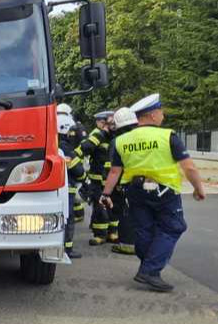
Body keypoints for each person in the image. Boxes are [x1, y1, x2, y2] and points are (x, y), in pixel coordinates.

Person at [101, 94, 206, 292]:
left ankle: (149, 268)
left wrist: (105, 194)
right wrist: (199, 189)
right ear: (151, 115)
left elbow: (115, 171)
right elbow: (189, 167)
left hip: (134, 191)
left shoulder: (121, 141)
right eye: (160, 112)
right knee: (174, 227)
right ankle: (149, 270)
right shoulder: (167, 136)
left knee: (143, 229)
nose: (163, 115)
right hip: (163, 190)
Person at [77, 110, 114, 245]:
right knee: (101, 206)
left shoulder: (111, 135)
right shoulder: (97, 135)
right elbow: (85, 148)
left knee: (109, 207)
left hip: (107, 178)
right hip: (99, 178)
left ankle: (109, 233)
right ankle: (102, 234)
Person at [108, 107, 139, 256]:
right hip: (146, 180)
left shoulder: (117, 141)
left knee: (125, 214)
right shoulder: (144, 137)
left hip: (125, 183)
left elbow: (114, 168)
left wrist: (107, 190)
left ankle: (127, 244)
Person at [57, 111, 86, 259]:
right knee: (68, 219)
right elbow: (78, 170)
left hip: (57, 189)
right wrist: (83, 177)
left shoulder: (54, 144)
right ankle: (67, 249)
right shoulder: (65, 147)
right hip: (67, 189)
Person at [58, 102, 87, 223]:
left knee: (74, 192)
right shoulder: (72, 124)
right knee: (74, 190)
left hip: (73, 159)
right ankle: (77, 213)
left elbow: (83, 143)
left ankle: (78, 213)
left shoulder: (74, 126)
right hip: (73, 159)